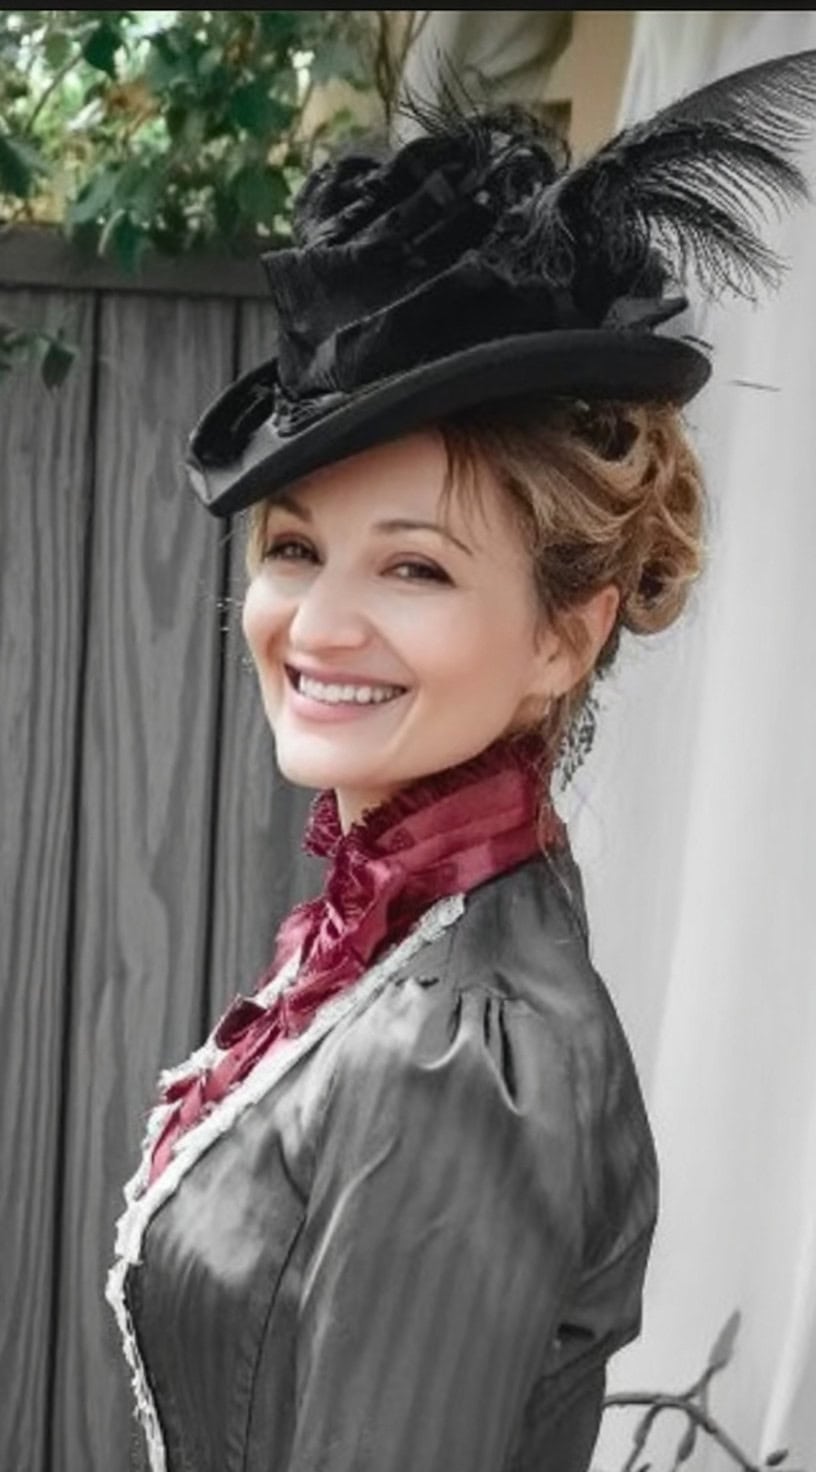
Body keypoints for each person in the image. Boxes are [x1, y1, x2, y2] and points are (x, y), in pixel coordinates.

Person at [106, 51, 816, 1472]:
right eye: (296, 547)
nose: (320, 622)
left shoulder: (462, 1056)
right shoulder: (419, 936)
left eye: (415, 566)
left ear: (565, 635)